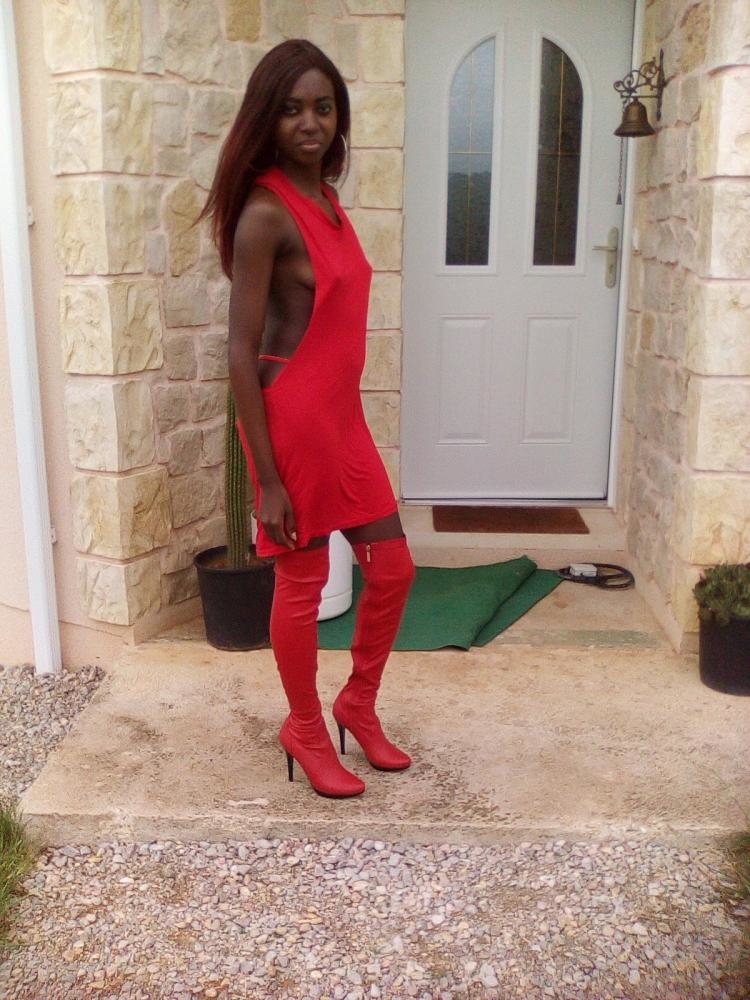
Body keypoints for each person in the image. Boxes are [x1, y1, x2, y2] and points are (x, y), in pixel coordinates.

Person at [202, 40, 415, 799]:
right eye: (291, 109)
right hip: (293, 424)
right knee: (302, 582)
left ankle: (357, 704)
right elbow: (240, 349)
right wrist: (266, 480)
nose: (310, 122)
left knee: (394, 568)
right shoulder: (266, 213)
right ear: (267, 118)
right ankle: (304, 726)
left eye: (323, 107)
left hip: (342, 423)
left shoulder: (326, 199)